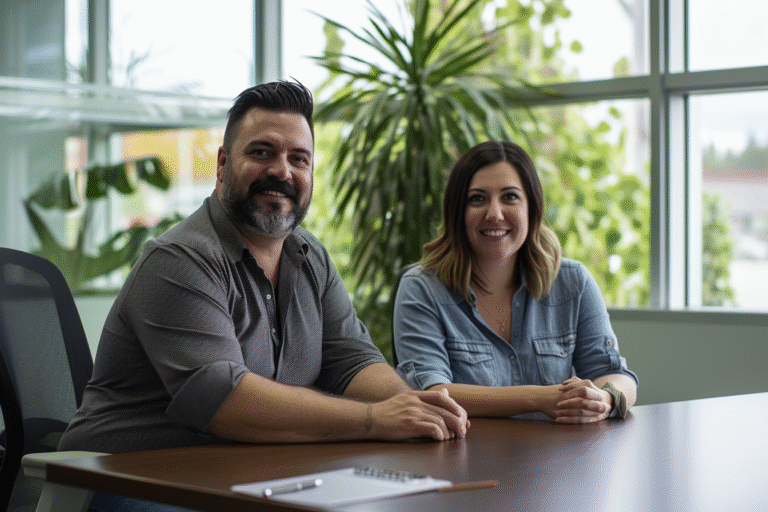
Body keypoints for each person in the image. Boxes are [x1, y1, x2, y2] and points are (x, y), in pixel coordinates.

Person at [59, 80, 468, 461]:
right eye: (261, 153)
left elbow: (352, 361)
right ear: (223, 164)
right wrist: (374, 420)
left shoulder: (310, 256)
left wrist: (410, 407)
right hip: (122, 479)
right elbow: (225, 402)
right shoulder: (179, 261)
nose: (282, 171)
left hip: (240, 474)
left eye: (298, 159)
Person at [393, 140, 637, 423]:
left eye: (510, 197)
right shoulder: (421, 288)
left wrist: (605, 398)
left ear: (532, 207)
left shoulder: (573, 283)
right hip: (464, 450)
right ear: (457, 212)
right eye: (477, 199)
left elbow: (615, 374)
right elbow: (431, 394)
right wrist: (537, 398)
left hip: (556, 451)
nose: (494, 214)